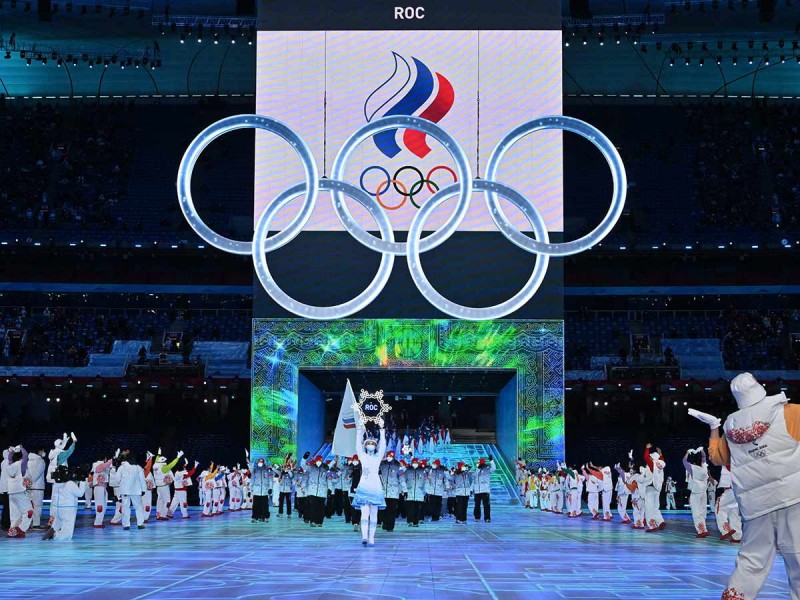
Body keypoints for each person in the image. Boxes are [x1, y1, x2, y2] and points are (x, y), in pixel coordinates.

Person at [690, 372, 800, 599]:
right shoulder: (790, 412)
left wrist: (714, 427)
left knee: (750, 562)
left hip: (755, 506)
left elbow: (717, 458)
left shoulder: (731, 426)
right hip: (793, 498)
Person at [352, 418, 387, 547]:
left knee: (374, 514)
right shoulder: (363, 456)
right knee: (364, 513)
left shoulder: (378, 457)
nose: (371, 445)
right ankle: (364, 537)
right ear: (365, 445)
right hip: (364, 486)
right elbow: (357, 445)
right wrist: (360, 429)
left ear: (375, 446)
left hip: (375, 486)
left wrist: (382, 429)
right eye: (368, 443)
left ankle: (372, 538)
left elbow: (383, 446)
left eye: (373, 443)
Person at [42, 465, 87, 541]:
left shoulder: (56, 484)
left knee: (57, 524)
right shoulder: (70, 484)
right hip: (68, 509)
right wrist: (82, 481)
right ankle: (55, 535)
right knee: (68, 532)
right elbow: (80, 493)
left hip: (57, 508)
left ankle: (51, 532)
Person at [114, 451, 147, 530]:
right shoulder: (138, 467)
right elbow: (142, 479)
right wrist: (144, 489)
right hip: (136, 491)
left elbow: (117, 479)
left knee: (125, 507)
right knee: (138, 507)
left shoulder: (122, 467)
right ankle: (140, 524)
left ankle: (126, 525)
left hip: (125, 490)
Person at [5, 445, 33, 538]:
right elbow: (25, 456)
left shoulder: (9, 465)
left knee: (15, 515)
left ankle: (12, 530)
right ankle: (21, 529)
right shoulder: (20, 465)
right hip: (20, 492)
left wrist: (11, 452)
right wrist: (21, 448)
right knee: (29, 512)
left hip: (11, 493)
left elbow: (9, 458)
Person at [683, 447, 710, 538]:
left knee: (696, 512)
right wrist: (702, 450)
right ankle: (704, 529)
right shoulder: (704, 467)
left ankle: (701, 530)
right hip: (704, 492)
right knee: (703, 511)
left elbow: (684, 461)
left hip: (696, 492)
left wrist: (687, 452)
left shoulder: (692, 468)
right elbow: (704, 457)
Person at [714, 464, 742, 542]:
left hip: (729, 491)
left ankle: (725, 530)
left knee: (718, 508)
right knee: (733, 513)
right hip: (736, 491)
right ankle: (737, 536)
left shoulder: (729, 463)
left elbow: (728, 466)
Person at [153, 448, 183, 520]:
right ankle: (163, 515)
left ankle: (158, 514)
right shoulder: (163, 468)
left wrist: (158, 454)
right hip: (164, 486)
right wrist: (178, 457)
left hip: (158, 487)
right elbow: (172, 464)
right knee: (167, 501)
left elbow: (156, 459)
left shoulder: (155, 465)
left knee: (160, 501)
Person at [643, 444, 666, 532]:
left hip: (651, 488)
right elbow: (662, 459)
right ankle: (661, 522)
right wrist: (660, 454)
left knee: (649, 508)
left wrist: (647, 449)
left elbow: (646, 458)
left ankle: (652, 526)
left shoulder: (652, 464)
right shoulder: (661, 464)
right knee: (656, 507)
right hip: (658, 488)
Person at [378, 450, 401, 531]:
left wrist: (403, 490)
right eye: (388, 456)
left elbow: (401, 478)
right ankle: (384, 523)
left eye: (391, 456)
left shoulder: (398, 465)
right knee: (383, 510)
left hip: (393, 492)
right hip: (383, 491)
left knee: (391, 511)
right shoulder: (382, 465)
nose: (389, 457)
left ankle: (390, 526)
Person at [305, 454, 329, 528]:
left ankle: (319, 522)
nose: (318, 462)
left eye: (320, 461)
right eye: (317, 460)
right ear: (315, 461)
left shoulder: (325, 468)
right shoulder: (311, 468)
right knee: (313, 507)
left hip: (322, 491)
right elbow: (303, 465)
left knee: (321, 508)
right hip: (313, 491)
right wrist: (304, 458)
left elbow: (331, 466)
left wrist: (334, 460)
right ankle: (312, 521)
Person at [89, 454, 113, 528]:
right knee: (100, 505)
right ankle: (97, 522)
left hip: (103, 487)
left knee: (104, 505)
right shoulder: (97, 464)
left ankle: (99, 521)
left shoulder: (105, 464)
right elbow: (101, 467)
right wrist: (111, 460)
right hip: (99, 487)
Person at [401, 456, 426, 527]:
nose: (415, 464)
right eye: (413, 462)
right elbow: (403, 480)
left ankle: (416, 522)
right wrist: (404, 490)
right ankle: (410, 521)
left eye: (416, 462)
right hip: (410, 492)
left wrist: (424, 491)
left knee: (417, 509)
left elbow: (425, 482)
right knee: (410, 508)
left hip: (419, 492)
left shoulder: (422, 471)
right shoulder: (408, 471)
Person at [248, 454, 273, 523]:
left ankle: (265, 517)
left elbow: (270, 480)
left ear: (264, 462)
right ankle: (255, 517)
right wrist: (249, 490)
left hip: (264, 491)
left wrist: (270, 488)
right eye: (259, 461)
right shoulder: (255, 470)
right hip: (256, 491)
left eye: (261, 461)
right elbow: (252, 480)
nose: (260, 462)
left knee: (265, 505)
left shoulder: (267, 470)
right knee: (256, 506)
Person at [26, 448, 46, 529]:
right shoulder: (41, 461)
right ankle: (36, 524)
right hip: (38, 487)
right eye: (43, 450)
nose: (43, 452)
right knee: (37, 506)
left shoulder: (28, 461)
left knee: (29, 506)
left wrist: (28, 483)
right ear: (39, 451)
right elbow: (38, 473)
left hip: (28, 487)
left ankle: (28, 524)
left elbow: (26, 473)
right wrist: (32, 481)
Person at [472, 456, 496, 522]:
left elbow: (494, 468)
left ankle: (487, 518)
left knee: (486, 505)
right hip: (477, 491)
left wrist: (491, 461)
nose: (478, 464)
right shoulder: (477, 470)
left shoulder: (487, 469)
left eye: (479, 463)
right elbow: (473, 476)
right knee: (477, 505)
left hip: (485, 490)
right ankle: (477, 517)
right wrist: (477, 469)